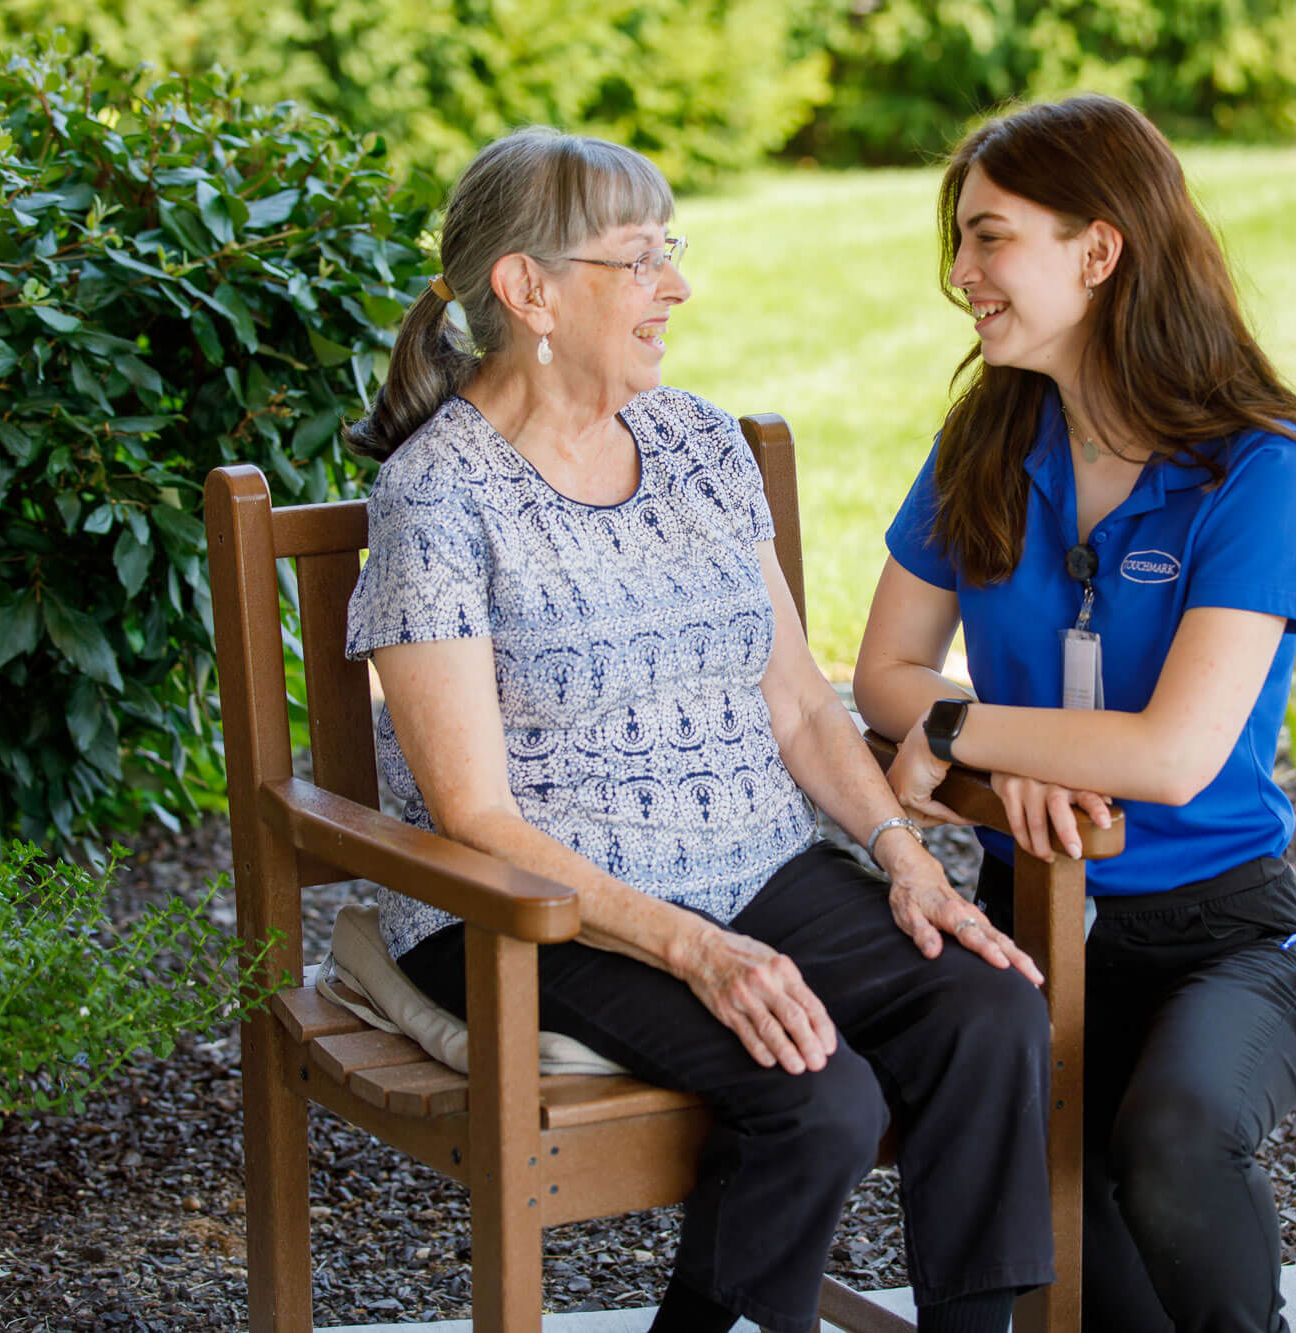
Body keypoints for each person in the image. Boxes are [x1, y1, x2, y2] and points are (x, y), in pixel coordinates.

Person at [341, 128, 1053, 1333]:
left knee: (985, 1010)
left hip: (754, 869)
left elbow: (797, 704)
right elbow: (475, 817)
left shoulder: (696, 443)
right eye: (641, 258)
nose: (676, 284)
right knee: (816, 1097)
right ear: (529, 291)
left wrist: (899, 852)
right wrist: (695, 949)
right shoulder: (437, 496)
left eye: (672, 250)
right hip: (532, 909)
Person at [852, 95, 1296, 1333]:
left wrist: (971, 733)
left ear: (1097, 248)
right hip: (1031, 934)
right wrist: (1005, 748)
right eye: (959, 243)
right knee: (1102, 1310)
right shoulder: (985, 437)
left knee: (1173, 1140)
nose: (959, 276)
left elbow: (1172, 758)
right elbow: (880, 671)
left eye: (988, 238)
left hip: (1220, 938)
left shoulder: (1256, 467)